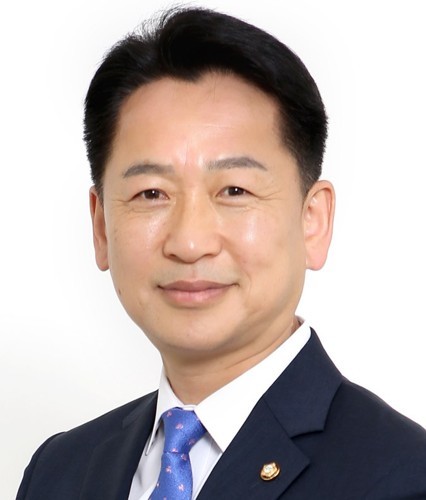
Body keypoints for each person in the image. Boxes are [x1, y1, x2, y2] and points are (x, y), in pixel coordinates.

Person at [16, 6, 426, 500]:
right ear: (101, 226)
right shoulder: (58, 471)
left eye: (234, 191)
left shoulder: (405, 477)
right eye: (151, 193)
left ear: (312, 220)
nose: (190, 242)